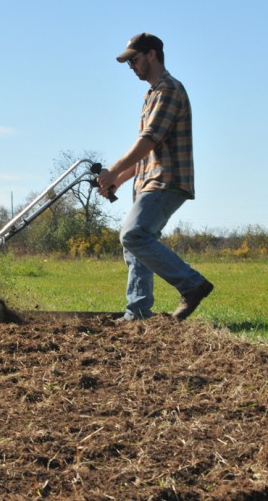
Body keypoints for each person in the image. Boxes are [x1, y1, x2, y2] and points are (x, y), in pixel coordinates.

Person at [97, 32, 214, 322]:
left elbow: (149, 140)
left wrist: (112, 168)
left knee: (133, 234)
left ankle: (192, 284)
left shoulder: (168, 90)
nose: (131, 66)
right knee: (137, 243)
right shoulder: (151, 94)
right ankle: (136, 312)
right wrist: (119, 179)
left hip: (167, 180)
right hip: (150, 179)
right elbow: (148, 153)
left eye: (134, 60)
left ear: (151, 55)